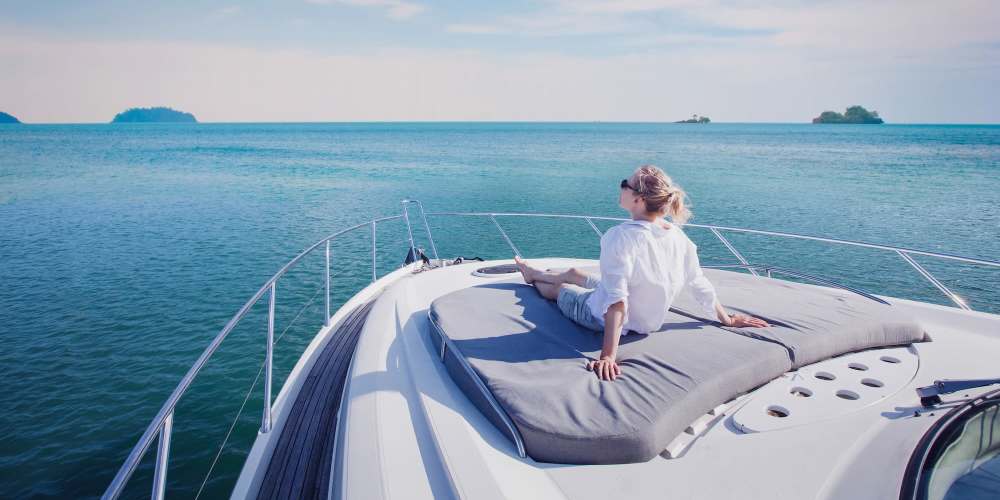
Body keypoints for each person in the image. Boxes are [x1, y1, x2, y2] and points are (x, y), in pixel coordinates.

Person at [514, 165, 769, 382]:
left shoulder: (620, 237)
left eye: (625, 184)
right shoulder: (677, 236)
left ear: (639, 199)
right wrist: (726, 319)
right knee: (574, 273)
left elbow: (617, 301)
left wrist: (608, 356)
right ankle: (539, 272)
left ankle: (533, 278)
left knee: (560, 290)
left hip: (597, 315)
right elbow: (698, 282)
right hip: (646, 320)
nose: (621, 186)